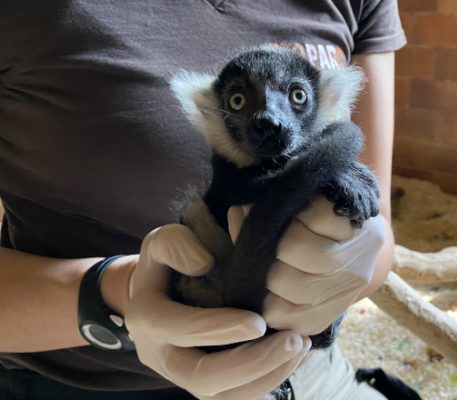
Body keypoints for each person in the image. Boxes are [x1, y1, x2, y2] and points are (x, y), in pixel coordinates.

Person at [0, 1, 406, 399]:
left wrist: (342, 274)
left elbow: (379, 231)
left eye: (296, 97)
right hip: (86, 382)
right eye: (238, 101)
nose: (268, 117)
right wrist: (114, 293)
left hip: (305, 370)